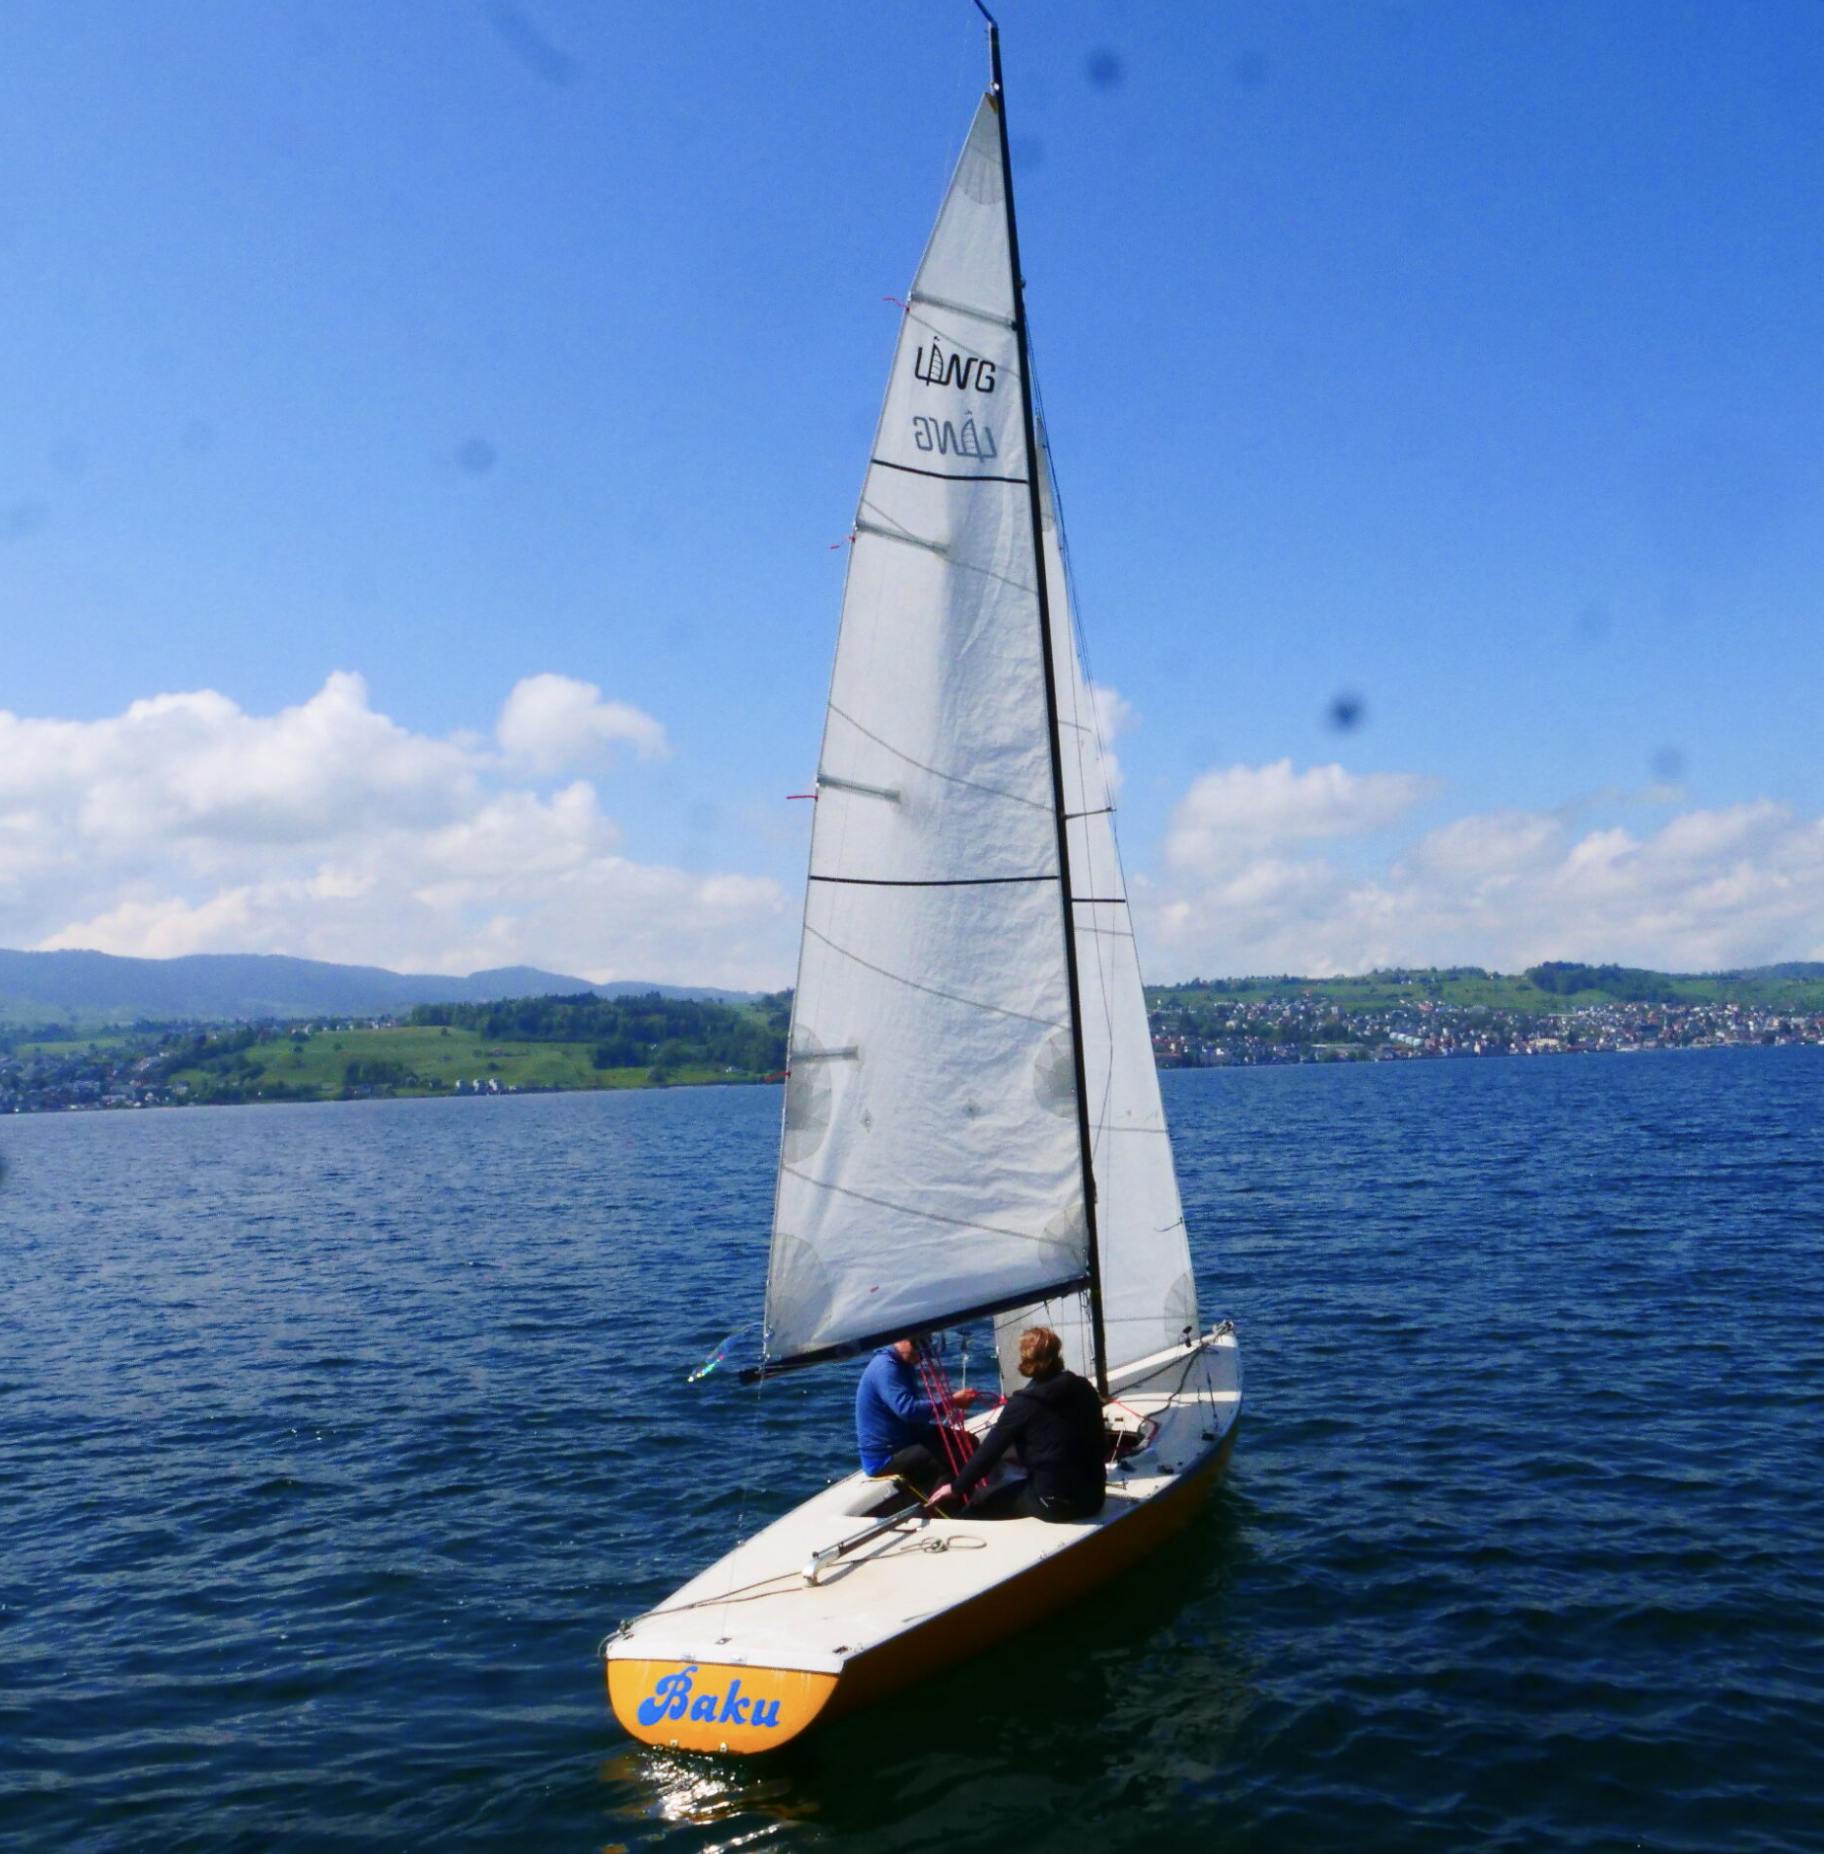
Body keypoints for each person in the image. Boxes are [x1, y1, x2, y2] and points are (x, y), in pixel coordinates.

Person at [928, 1326, 1105, 1522]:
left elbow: (989, 1453)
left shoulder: (1023, 1404)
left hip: (1054, 1504)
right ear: (1057, 1353)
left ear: (1026, 1360)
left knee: (980, 1498)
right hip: (1094, 1498)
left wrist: (955, 1488)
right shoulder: (1084, 1387)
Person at [854, 1336, 983, 1492]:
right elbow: (908, 1411)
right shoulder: (886, 1368)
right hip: (886, 1456)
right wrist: (952, 1402)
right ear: (901, 1340)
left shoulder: (902, 1363)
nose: (922, 1354)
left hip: (910, 1439)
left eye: (925, 1344)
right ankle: (941, 1510)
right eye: (917, 1345)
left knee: (970, 1442)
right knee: (950, 1458)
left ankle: (970, 1495)